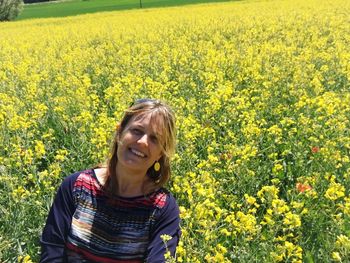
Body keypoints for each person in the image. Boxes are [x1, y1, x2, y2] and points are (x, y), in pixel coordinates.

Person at [40, 99, 181, 263]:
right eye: (136, 130)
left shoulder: (163, 209)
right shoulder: (76, 186)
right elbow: (52, 253)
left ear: (160, 154)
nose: (143, 141)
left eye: (154, 139)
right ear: (120, 132)